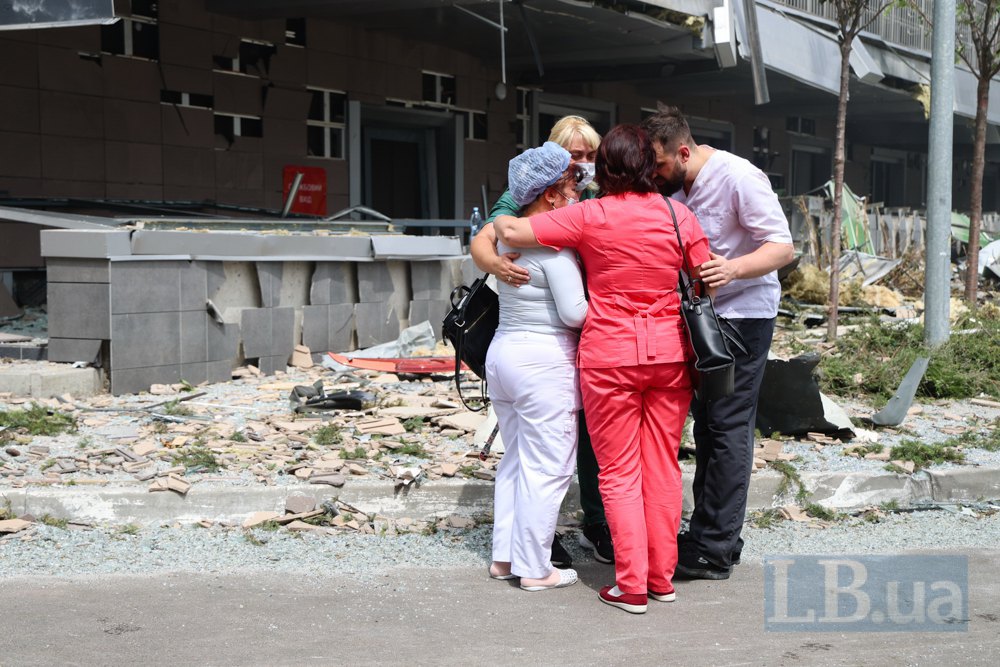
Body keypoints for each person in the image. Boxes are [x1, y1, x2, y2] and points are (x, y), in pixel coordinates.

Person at [494, 124, 711, 614]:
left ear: (604, 168)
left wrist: (520, 188)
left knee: (615, 471)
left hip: (609, 355)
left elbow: (509, 230)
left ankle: (630, 584)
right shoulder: (680, 217)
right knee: (661, 465)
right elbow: (704, 279)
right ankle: (660, 578)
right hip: (670, 356)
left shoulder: (588, 215)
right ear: (651, 166)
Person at [641, 105, 794, 580]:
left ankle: (714, 546)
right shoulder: (679, 184)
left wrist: (732, 269)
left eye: (660, 165)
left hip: (744, 317)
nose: (656, 175)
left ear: (683, 151)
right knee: (707, 426)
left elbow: (783, 246)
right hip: (705, 317)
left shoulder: (737, 176)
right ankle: (711, 534)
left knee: (727, 427)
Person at [472, 115, 614, 567]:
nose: (584, 166)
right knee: (548, 460)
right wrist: (496, 264)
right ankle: (536, 555)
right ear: (556, 163)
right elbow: (485, 239)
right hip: (550, 342)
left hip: (515, 350)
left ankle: (515, 551)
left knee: (543, 453)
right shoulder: (533, 195)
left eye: (591, 156)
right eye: (576, 157)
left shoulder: (598, 194)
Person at [486, 141, 588, 592]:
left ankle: (505, 558)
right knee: (549, 466)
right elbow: (575, 314)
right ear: (550, 195)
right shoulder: (554, 249)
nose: (579, 198)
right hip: (544, 362)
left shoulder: (507, 239)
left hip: (502, 355)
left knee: (516, 460)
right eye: (573, 188)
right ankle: (535, 568)